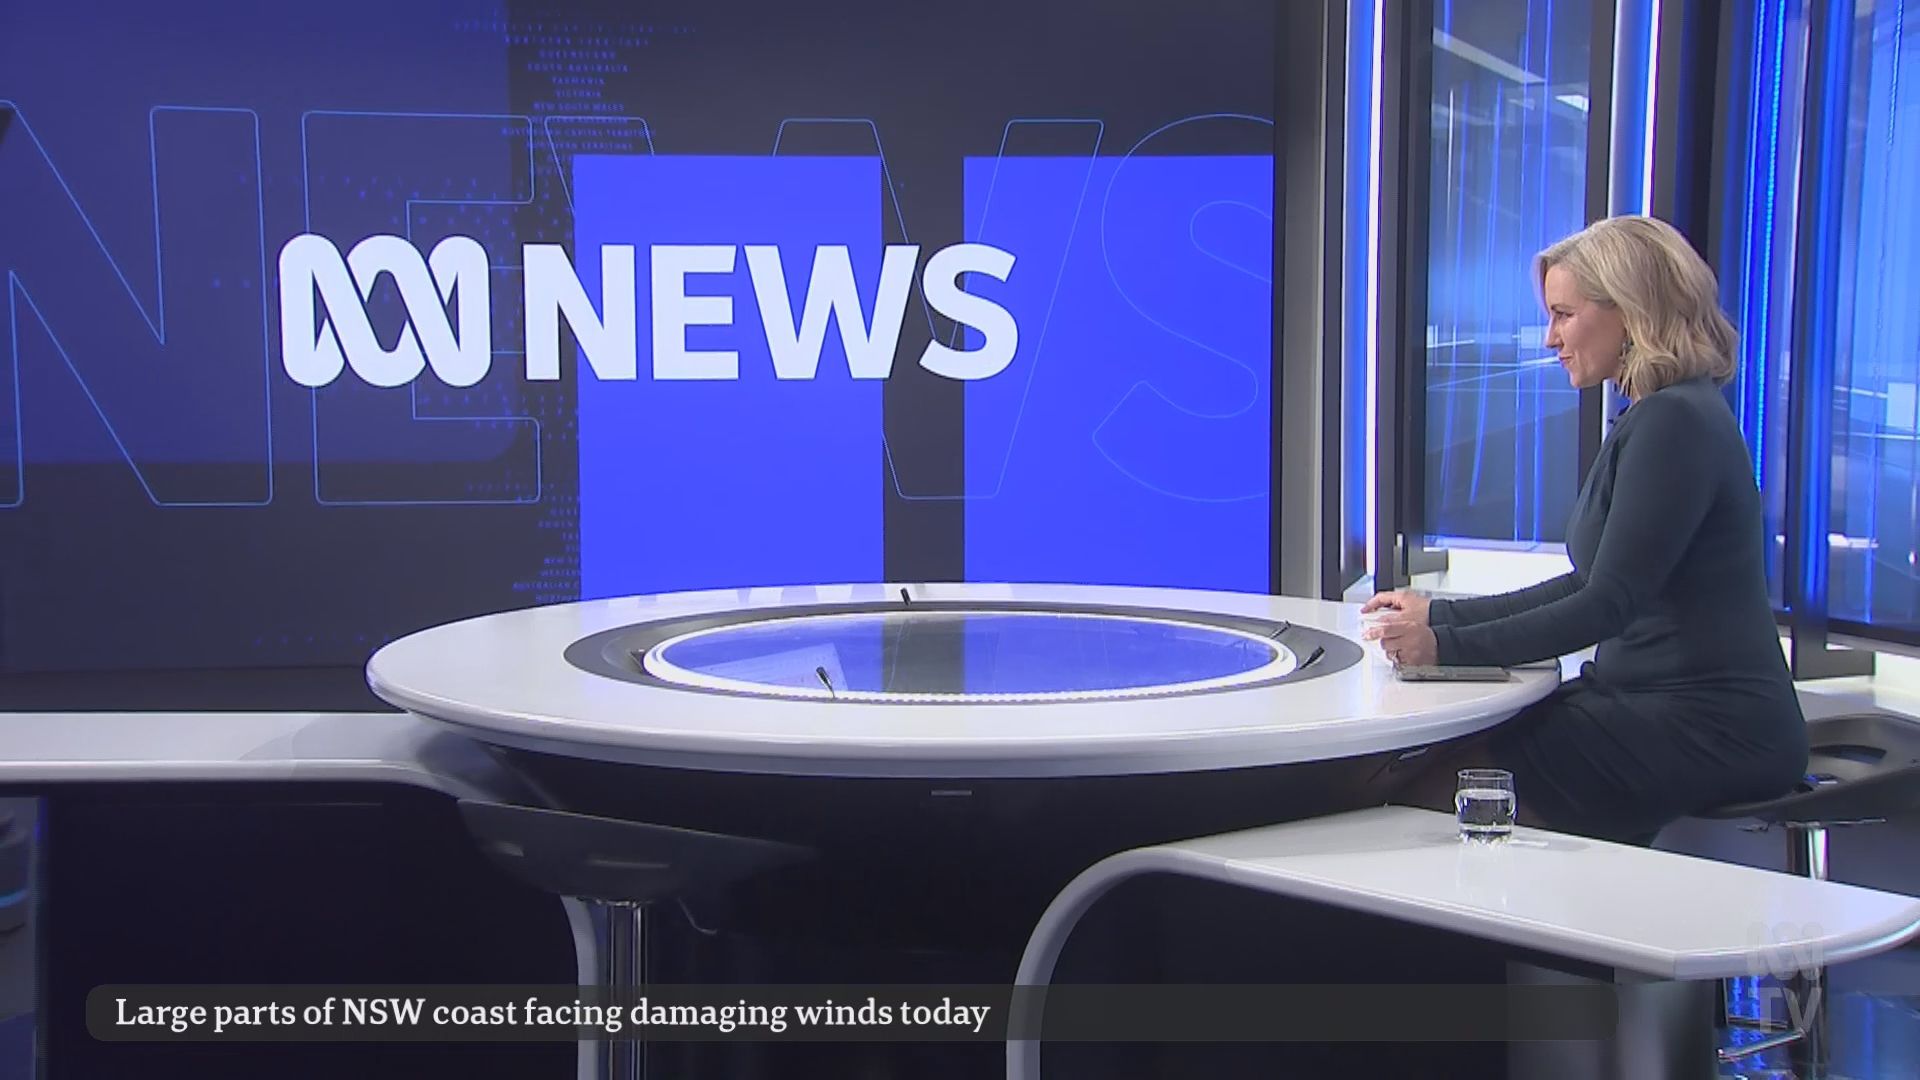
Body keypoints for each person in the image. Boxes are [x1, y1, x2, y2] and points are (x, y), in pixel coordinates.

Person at [1362, 215, 1809, 845]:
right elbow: (1590, 583)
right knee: (1447, 756)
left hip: (1708, 725)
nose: (1551, 339)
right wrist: (1440, 617)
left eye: (1564, 315)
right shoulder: (1664, 413)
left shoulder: (1675, 423)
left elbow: (1605, 604)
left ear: (1631, 312)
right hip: (1654, 704)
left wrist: (1444, 646)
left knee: (1427, 796)